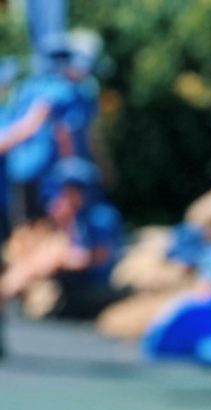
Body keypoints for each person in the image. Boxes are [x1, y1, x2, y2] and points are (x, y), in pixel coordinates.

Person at [0, 158, 124, 317]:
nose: (63, 196)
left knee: (49, 258)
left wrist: (65, 259)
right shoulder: (75, 217)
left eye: (70, 190)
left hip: (95, 282)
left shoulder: (101, 217)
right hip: (70, 276)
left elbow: (99, 258)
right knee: (39, 257)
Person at [0, 44, 87, 231]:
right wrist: (69, 170)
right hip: (42, 171)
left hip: (19, 170)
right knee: (48, 225)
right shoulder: (61, 90)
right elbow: (63, 133)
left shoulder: (28, 89)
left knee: (29, 227)